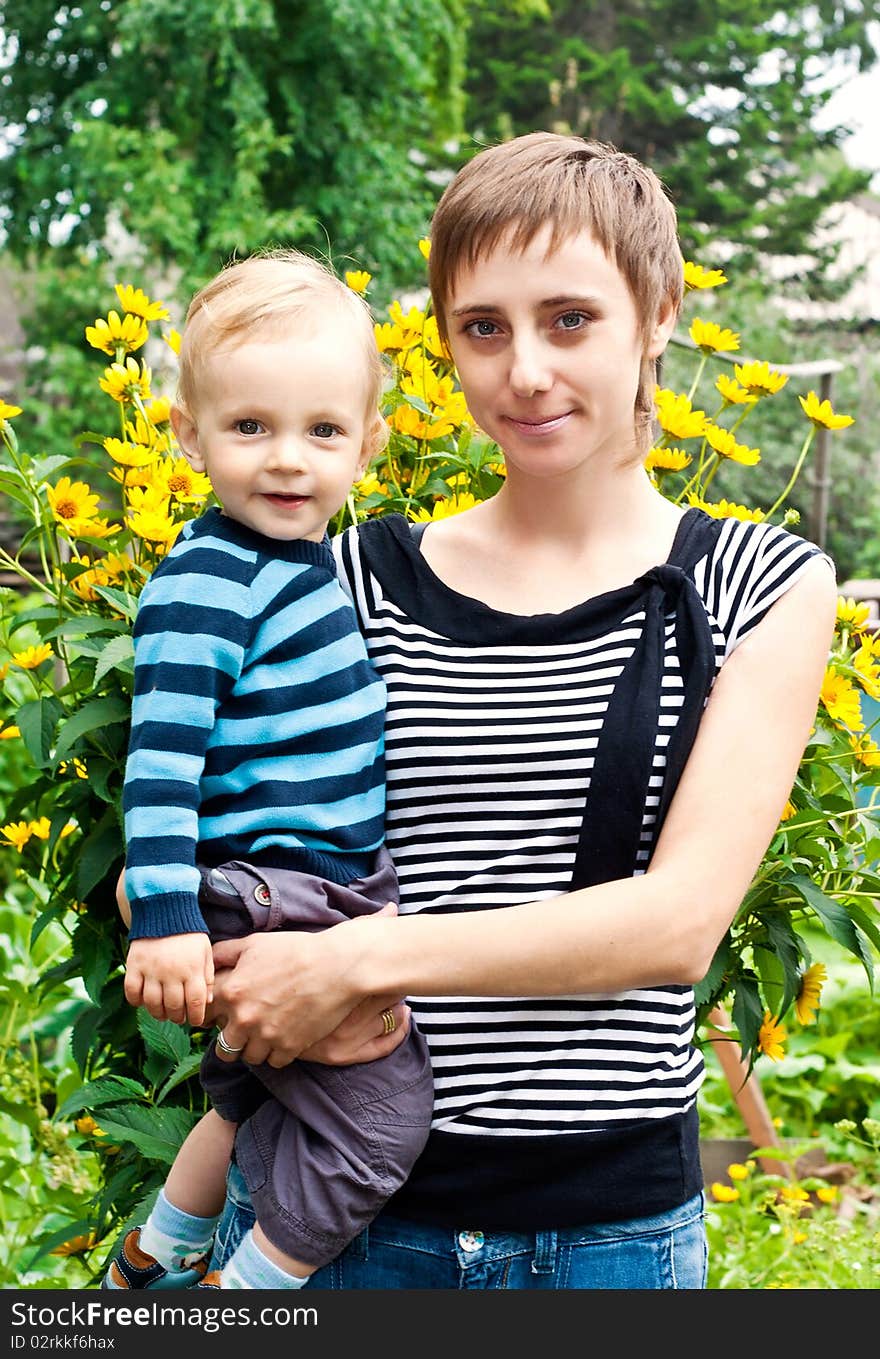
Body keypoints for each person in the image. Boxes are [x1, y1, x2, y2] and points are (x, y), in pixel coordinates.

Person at [206, 133, 835, 1290]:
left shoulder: (759, 584)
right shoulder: (347, 576)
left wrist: (354, 963)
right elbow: (240, 832)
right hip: (333, 1223)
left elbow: (674, 927)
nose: (524, 371)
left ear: (659, 312)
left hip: (606, 1239)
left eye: (569, 320)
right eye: (482, 328)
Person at [103, 249, 433, 1293]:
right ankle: (236, 1298)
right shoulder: (207, 579)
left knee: (247, 1097)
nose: (288, 460)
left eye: (322, 431)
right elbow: (159, 759)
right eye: (251, 428)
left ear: (368, 443)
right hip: (273, 892)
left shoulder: (301, 564)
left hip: (318, 881)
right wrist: (163, 914)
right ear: (187, 435)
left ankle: (154, 1254)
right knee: (382, 1125)